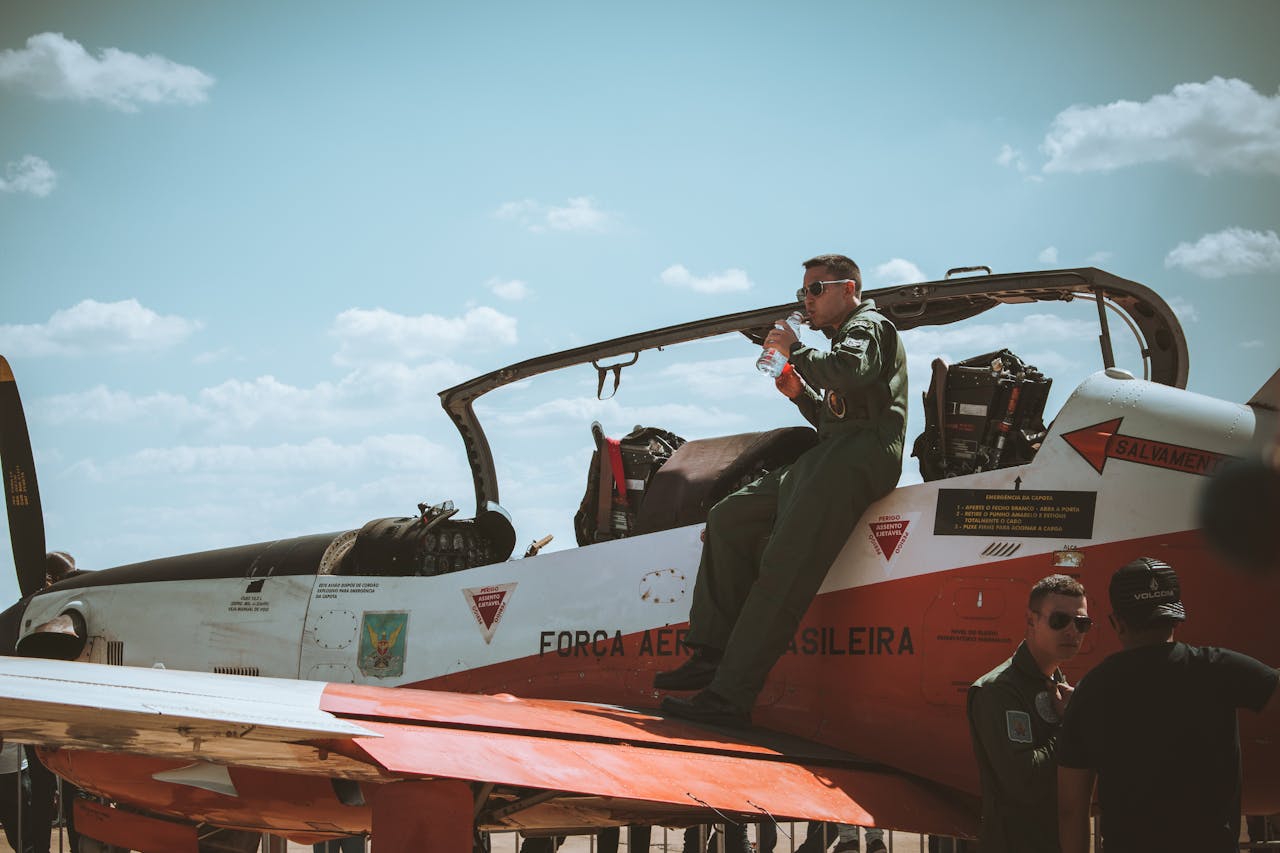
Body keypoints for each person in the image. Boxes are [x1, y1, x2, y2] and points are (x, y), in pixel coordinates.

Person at [657, 254, 907, 727]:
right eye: (803, 292)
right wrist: (798, 392)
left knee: (783, 569)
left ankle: (729, 697)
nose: (806, 300)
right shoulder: (842, 340)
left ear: (849, 288)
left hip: (856, 462)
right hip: (832, 455)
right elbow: (833, 419)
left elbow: (849, 374)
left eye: (815, 290)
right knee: (728, 517)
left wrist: (798, 352)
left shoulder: (867, 326)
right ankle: (710, 652)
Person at [1057, 557, 1279, 853]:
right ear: (1176, 618)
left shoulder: (1091, 690)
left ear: (1117, 623)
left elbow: (1071, 808)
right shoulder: (1218, 668)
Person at [966, 574, 1089, 852]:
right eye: (1059, 620)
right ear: (1031, 620)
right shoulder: (999, 690)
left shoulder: (1054, 680)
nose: (1072, 631)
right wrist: (1069, 725)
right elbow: (1025, 781)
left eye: (1082, 623)